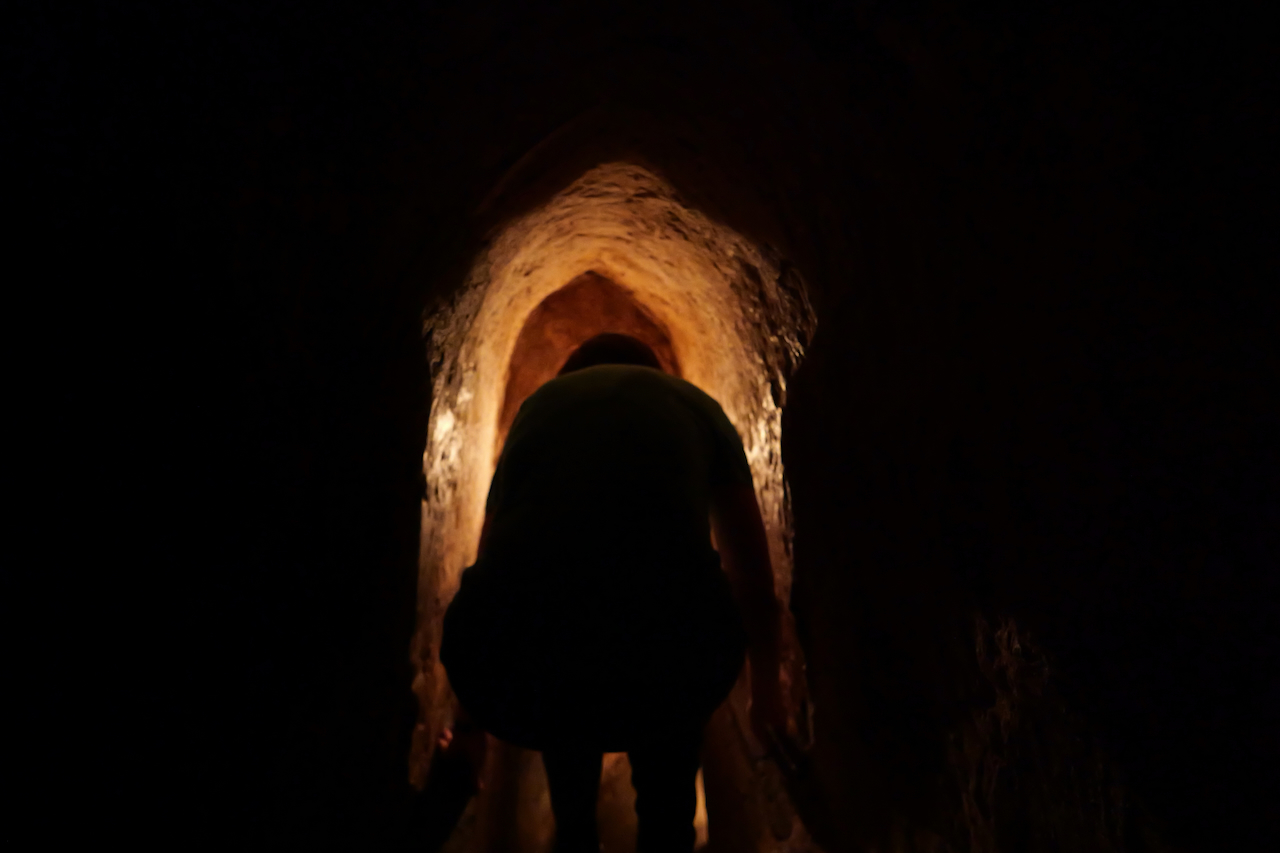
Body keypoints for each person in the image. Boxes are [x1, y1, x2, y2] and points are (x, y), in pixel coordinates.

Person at [441, 333, 785, 853]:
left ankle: (574, 833)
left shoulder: (538, 409)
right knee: (667, 807)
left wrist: (468, 724)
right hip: (671, 656)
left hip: (539, 654)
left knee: (569, 773)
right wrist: (767, 687)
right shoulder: (696, 405)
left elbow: (492, 563)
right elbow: (751, 570)